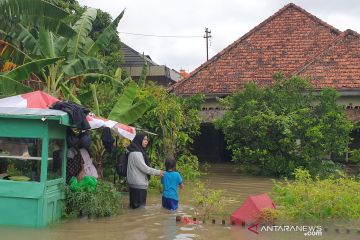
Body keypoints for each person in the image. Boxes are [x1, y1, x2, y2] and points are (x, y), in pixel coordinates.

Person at [127, 133, 163, 209]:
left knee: (134, 209)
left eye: (147, 139)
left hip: (133, 184)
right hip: (139, 185)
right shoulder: (137, 153)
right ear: (139, 140)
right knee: (140, 210)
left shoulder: (132, 151)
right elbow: (145, 168)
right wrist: (158, 172)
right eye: (144, 139)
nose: (146, 141)